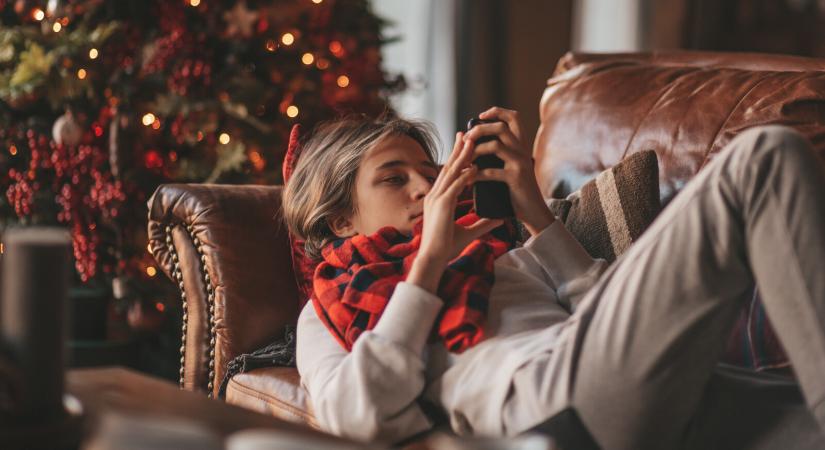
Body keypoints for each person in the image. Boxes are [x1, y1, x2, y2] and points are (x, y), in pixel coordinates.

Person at [281, 106, 825, 450]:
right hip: (549, 414)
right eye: (394, 179)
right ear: (341, 219)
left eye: (430, 171)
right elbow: (351, 418)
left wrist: (536, 215)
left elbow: (618, 318)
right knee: (764, 156)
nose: (425, 188)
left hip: (665, 393)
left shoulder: (504, 253)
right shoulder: (328, 308)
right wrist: (427, 267)